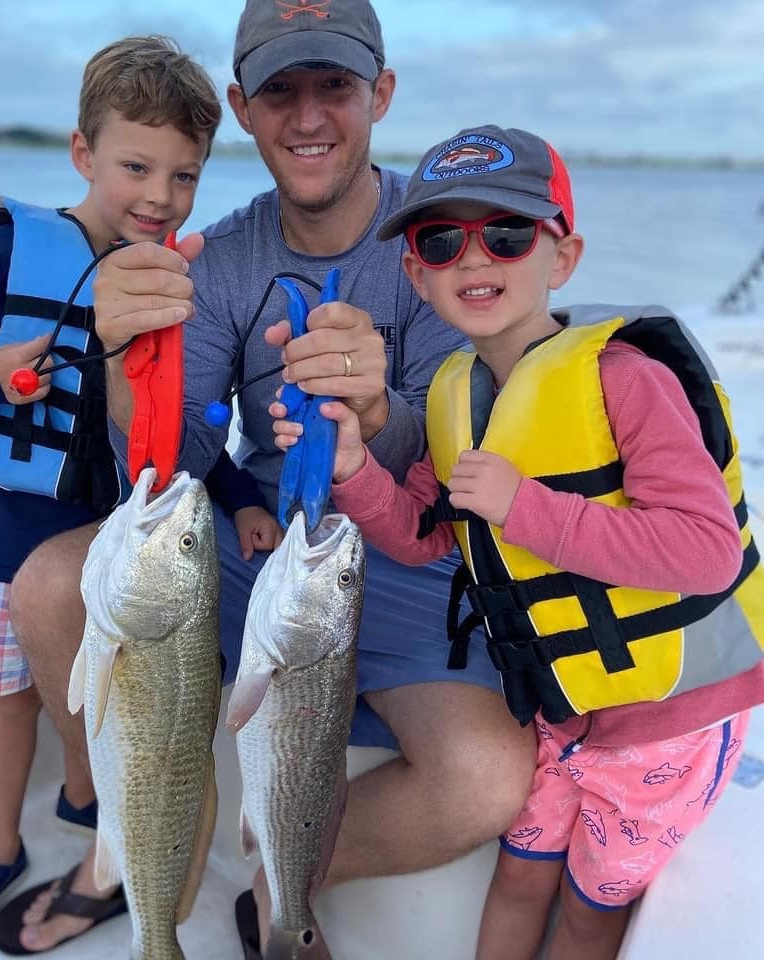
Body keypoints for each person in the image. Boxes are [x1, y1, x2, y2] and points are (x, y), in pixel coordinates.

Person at [0, 3, 537, 956]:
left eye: (335, 85)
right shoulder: (227, 259)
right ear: (244, 107)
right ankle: (123, 856)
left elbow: (470, 463)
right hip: (260, 545)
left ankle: (282, 880)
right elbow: (171, 469)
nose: (309, 116)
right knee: (47, 586)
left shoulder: (451, 244)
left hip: (406, 565)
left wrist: (379, 418)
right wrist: (124, 358)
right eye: (281, 90)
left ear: (383, 93)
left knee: (488, 778)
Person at [291, 123, 764, 960]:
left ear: (564, 256)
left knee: (586, 909)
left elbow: (705, 551)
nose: (476, 259)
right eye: (443, 240)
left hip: (670, 721)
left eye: (507, 234)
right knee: (519, 877)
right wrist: (356, 465)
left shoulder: (629, 380)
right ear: (417, 273)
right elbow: (419, 536)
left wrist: (527, 509)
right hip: (565, 711)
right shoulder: (455, 395)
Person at [0, 35, 279, 958]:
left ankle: (105, 836)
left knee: (123, 704)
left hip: (118, 548)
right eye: (136, 166)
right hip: (9, 541)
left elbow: (182, 426)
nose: (159, 196)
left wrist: (236, 492)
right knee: (9, 702)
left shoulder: (173, 282)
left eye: (185, 176)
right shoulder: (8, 253)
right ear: (84, 154)